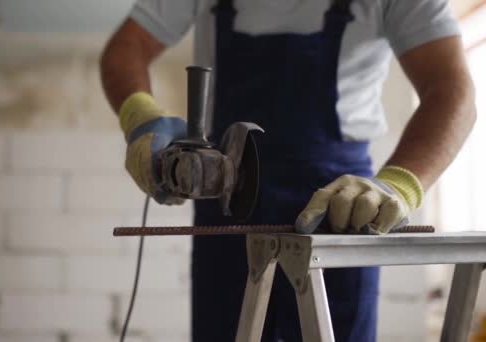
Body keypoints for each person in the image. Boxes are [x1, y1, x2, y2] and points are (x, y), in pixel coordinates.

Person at [100, 0, 476, 340]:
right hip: (230, 207)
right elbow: (125, 50)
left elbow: (452, 90)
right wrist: (141, 118)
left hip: (343, 209)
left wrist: (400, 184)